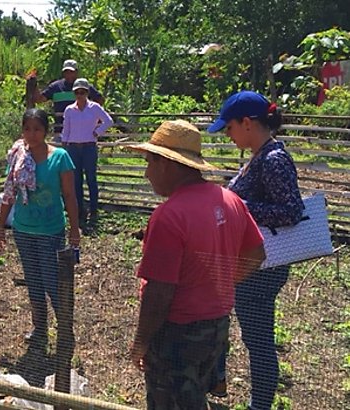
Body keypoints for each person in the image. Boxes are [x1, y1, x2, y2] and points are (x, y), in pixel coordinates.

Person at [126, 120, 266, 409]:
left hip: (177, 335)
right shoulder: (230, 200)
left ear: (166, 164)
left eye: (149, 162)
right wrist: (218, 281)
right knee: (195, 396)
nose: (147, 172)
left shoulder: (169, 216)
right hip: (216, 328)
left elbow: (159, 293)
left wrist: (141, 342)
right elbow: (256, 253)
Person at [207, 91, 304, 410]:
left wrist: (239, 205)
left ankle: (259, 405)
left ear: (247, 123)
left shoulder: (274, 159)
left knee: (258, 341)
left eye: (230, 127)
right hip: (250, 263)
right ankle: (219, 381)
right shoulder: (261, 155)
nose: (228, 134)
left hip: (262, 268)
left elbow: (291, 211)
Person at [0, 108, 80, 352]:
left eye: (37, 129)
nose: (32, 134)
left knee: (53, 282)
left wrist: (75, 229)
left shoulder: (60, 157)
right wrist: (1, 226)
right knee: (34, 281)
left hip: (50, 230)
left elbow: (70, 195)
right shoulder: (18, 156)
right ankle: (39, 329)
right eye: (27, 129)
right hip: (23, 229)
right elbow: (9, 192)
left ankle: (65, 331)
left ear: (46, 131)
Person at [61, 78, 113, 232]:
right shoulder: (69, 110)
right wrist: (64, 145)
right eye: (77, 92)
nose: (79, 95)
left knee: (91, 178)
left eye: (82, 92)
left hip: (89, 147)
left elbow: (108, 121)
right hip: (73, 148)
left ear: (87, 93)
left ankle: (94, 210)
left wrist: (97, 132)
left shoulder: (94, 107)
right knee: (76, 180)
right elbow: (66, 129)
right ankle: (80, 212)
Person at [33, 59, 104, 141]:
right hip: (60, 131)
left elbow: (100, 100)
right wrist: (34, 84)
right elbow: (39, 99)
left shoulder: (84, 86)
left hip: (82, 132)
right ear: (63, 73)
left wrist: (90, 114)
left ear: (76, 72)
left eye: (71, 72)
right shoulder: (55, 87)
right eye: (66, 72)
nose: (69, 74)